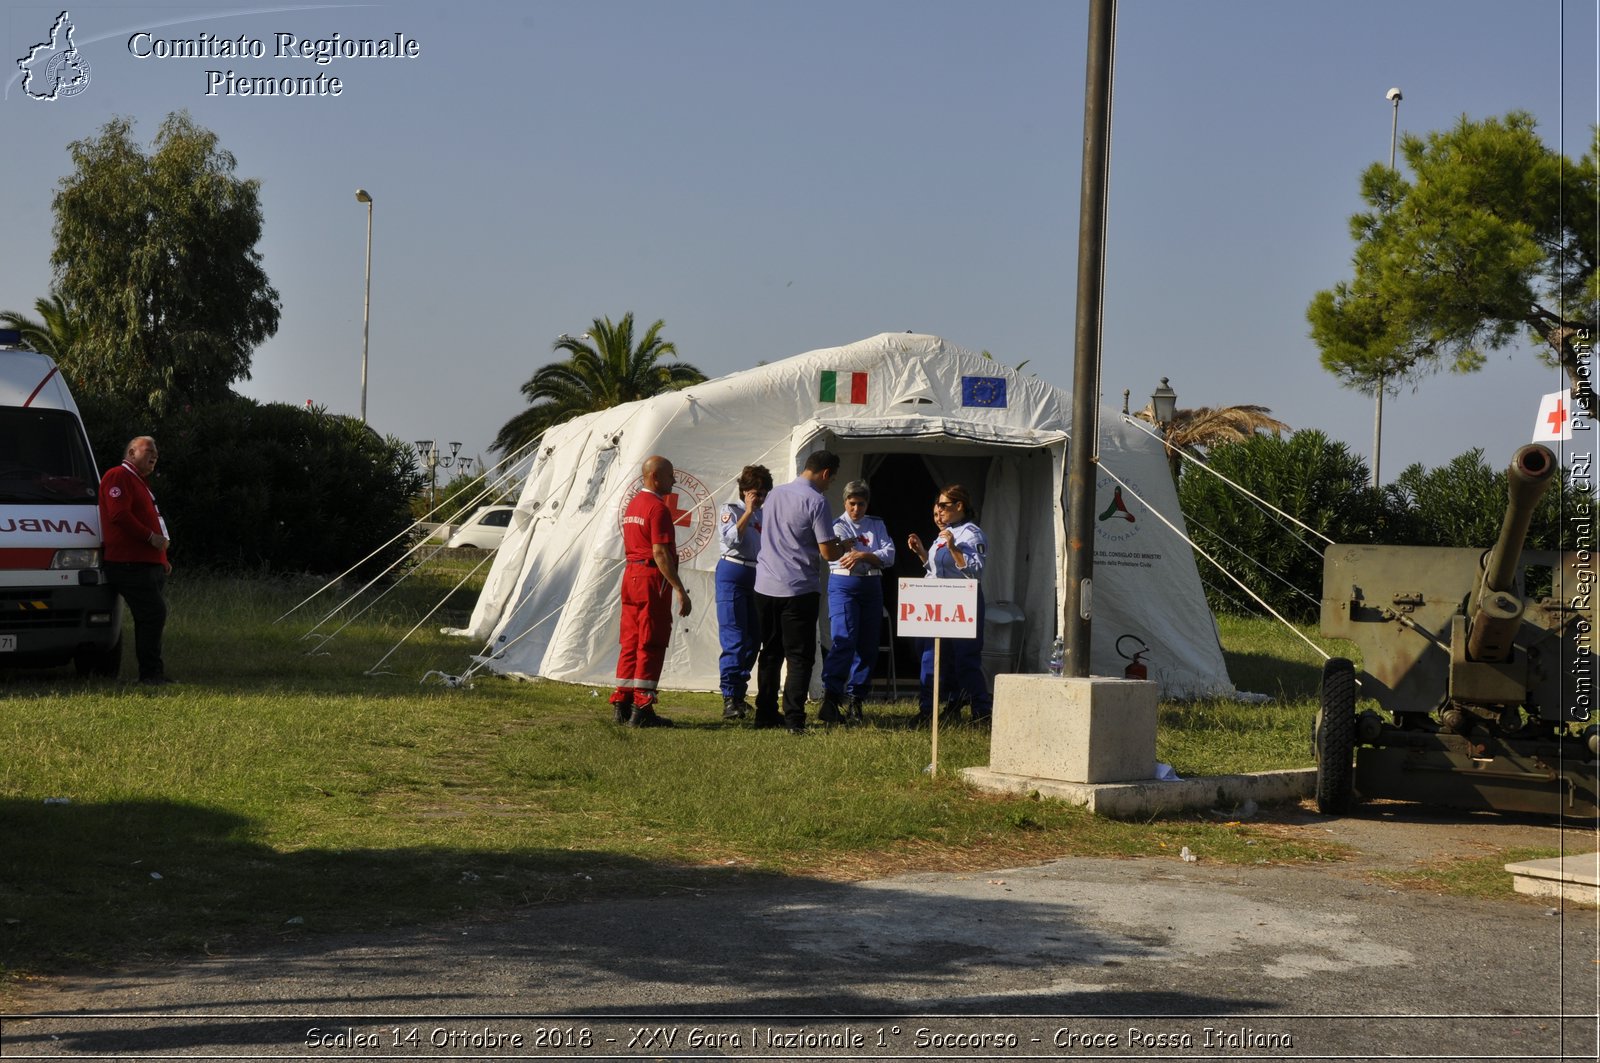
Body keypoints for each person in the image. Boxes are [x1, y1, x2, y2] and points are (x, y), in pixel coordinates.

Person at [752, 450, 848, 734]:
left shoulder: (774, 495)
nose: (828, 486)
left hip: (765, 585)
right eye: (830, 480)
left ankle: (765, 713)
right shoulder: (817, 501)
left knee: (770, 653)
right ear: (826, 474)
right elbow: (828, 551)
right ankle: (794, 719)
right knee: (799, 657)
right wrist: (844, 545)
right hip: (797, 588)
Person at [608, 455, 692, 728]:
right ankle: (642, 707)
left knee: (631, 639)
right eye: (670, 476)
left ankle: (623, 700)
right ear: (655, 477)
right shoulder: (658, 509)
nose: (675, 481)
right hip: (649, 578)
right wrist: (679, 588)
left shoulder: (634, 505)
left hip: (631, 574)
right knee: (651, 639)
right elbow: (659, 551)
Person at [906, 483, 990, 725]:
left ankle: (981, 712)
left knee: (966, 659)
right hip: (938, 601)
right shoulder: (943, 534)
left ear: (959, 506)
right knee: (931, 657)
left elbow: (975, 571)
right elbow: (936, 571)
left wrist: (953, 547)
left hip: (964, 601)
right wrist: (923, 552)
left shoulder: (970, 533)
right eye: (936, 508)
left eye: (943, 506)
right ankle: (929, 710)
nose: (939, 512)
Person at [98, 436, 174, 685]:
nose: (155, 456)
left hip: (146, 563)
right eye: (149, 450)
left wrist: (161, 558)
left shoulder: (140, 482)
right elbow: (119, 514)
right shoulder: (117, 476)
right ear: (131, 452)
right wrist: (150, 538)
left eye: (157, 452)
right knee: (153, 613)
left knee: (151, 615)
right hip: (128, 563)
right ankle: (150, 674)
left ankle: (153, 672)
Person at [818, 479, 894, 725]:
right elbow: (844, 558)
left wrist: (864, 555)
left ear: (866, 503)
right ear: (845, 503)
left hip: (872, 584)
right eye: (852, 504)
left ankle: (856, 699)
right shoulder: (836, 526)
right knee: (844, 639)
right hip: (844, 584)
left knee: (868, 644)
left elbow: (889, 555)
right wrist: (873, 556)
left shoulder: (876, 524)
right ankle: (831, 698)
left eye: (861, 504)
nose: (856, 509)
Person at [715, 464, 772, 720]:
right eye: (755, 493)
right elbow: (731, 540)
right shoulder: (731, 510)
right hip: (733, 572)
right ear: (744, 492)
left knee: (753, 639)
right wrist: (748, 511)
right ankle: (729, 697)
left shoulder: (766, 515)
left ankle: (739, 693)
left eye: (762, 494)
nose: (759, 498)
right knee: (735, 637)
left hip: (757, 575)